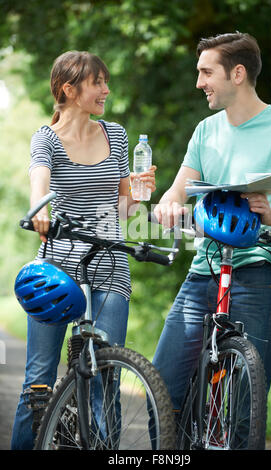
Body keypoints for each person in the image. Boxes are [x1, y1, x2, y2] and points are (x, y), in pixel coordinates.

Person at [152, 32, 271, 425]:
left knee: (242, 411)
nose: (199, 82)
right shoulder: (206, 130)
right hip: (204, 272)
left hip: (261, 274)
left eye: (206, 72)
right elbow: (177, 189)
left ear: (237, 74)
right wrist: (168, 205)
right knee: (162, 398)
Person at [11, 50, 156, 450]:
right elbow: (39, 183)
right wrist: (39, 209)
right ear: (69, 89)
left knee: (105, 377)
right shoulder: (47, 138)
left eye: (106, 82)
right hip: (59, 268)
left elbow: (123, 207)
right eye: (98, 83)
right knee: (38, 380)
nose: (106, 90)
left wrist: (140, 193)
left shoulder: (117, 134)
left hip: (109, 262)